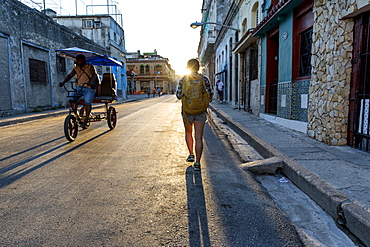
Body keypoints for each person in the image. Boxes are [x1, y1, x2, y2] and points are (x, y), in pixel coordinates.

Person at [176, 59, 214, 171]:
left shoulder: (183, 79)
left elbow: (178, 95)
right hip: (201, 111)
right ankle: (197, 163)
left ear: (188, 67)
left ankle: (191, 154)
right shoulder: (204, 79)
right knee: (198, 137)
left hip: (187, 111)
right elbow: (211, 95)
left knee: (188, 132)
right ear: (198, 67)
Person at [59, 54, 99, 129]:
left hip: (89, 88)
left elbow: (94, 76)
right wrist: (63, 82)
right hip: (79, 88)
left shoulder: (90, 66)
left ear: (83, 60)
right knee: (71, 98)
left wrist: (91, 82)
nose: (76, 61)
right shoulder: (76, 68)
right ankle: (77, 116)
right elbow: (70, 76)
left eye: (78, 60)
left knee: (87, 101)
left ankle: (86, 119)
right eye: (76, 60)